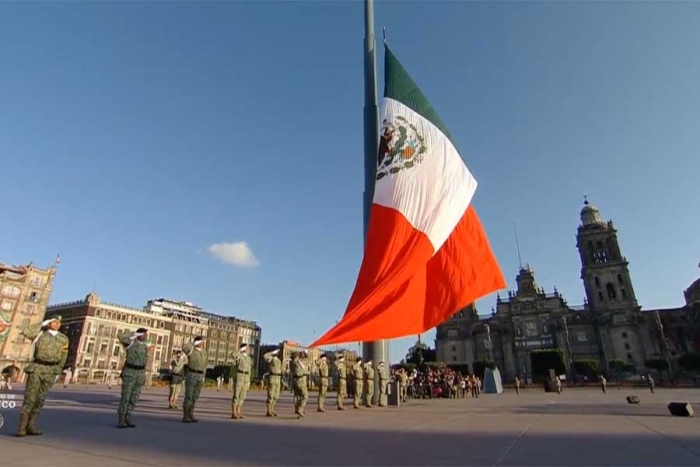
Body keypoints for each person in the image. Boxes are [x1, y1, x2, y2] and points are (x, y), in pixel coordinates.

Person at [16, 316, 69, 437]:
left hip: (51, 370)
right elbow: (26, 331)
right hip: (37, 368)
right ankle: (22, 427)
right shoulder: (40, 334)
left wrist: (58, 370)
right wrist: (41, 324)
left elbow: (63, 356)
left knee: (40, 399)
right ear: (49, 323)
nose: (57, 324)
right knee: (30, 398)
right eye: (54, 321)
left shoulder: (63, 338)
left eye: (59, 322)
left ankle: (32, 424)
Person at [117, 327, 149, 428]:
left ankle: (128, 416)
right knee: (126, 396)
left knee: (134, 397)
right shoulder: (131, 343)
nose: (146, 336)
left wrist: (143, 376)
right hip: (130, 373)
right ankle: (121, 418)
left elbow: (145, 362)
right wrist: (134, 334)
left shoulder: (144, 347)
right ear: (139, 335)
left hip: (140, 373)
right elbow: (121, 337)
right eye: (144, 334)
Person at [182, 336, 207, 423]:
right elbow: (184, 348)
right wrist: (193, 343)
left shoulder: (204, 353)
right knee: (189, 395)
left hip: (200, 376)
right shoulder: (191, 350)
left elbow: (205, 365)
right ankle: (186, 415)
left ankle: (191, 414)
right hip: (192, 374)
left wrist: (204, 376)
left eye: (203, 341)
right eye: (201, 341)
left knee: (195, 396)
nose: (203, 343)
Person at [231, 343, 252, 420]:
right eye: (247, 348)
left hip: (246, 377)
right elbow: (233, 354)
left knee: (243, 395)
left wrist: (249, 381)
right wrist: (240, 349)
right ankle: (234, 412)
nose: (249, 349)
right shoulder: (239, 356)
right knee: (236, 395)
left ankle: (238, 411)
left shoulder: (249, 358)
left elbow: (249, 370)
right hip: (240, 375)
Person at [263, 348, 282, 417]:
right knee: (270, 395)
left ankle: (272, 409)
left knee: (276, 396)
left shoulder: (279, 361)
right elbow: (265, 356)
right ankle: (268, 410)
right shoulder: (271, 359)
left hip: (278, 379)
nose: (278, 352)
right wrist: (272, 352)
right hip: (273, 378)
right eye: (277, 351)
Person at [291, 352, 308, 418]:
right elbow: (304, 368)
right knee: (305, 396)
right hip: (301, 381)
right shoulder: (297, 363)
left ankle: (298, 411)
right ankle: (300, 409)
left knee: (297, 397)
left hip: (295, 381)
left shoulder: (291, 363)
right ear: (297, 357)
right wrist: (305, 354)